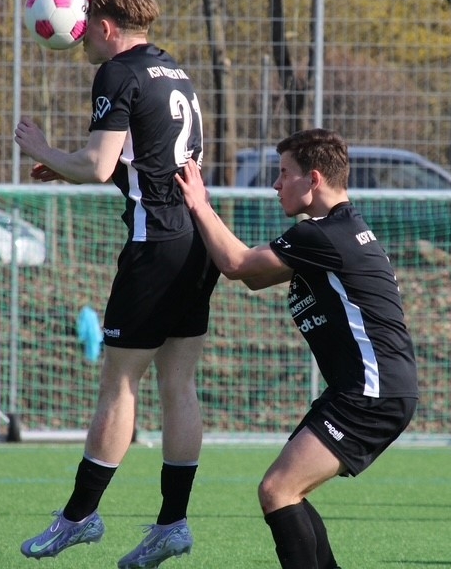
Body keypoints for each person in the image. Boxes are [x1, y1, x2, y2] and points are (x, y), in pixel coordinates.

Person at [15, 0, 219, 569]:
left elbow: (100, 165)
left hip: (155, 246)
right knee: (179, 386)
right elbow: (139, 157)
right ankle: (172, 524)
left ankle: (79, 517)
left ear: (106, 28)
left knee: (119, 385)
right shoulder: (174, 71)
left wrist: (44, 149)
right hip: (197, 239)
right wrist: (69, 166)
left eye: (87, 28)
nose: (81, 38)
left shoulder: (116, 72)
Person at [175, 128, 418, 569]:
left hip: (370, 394)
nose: (276, 183)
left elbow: (237, 265)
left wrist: (198, 203)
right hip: (366, 390)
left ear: (314, 179)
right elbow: (254, 278)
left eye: (285, 173)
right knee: (288, 493)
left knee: (278, 490)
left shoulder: (324, 235)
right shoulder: (340, 230)